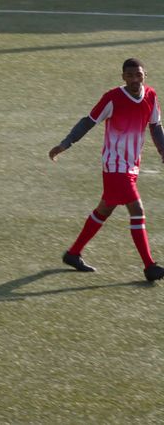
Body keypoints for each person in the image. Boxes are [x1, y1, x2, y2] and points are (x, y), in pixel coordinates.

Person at [50, 58, 164, 282]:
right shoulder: (112, 98)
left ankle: (73, 254)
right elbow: (89, 121)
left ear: (145, 75)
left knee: (105, 208)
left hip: (131, 165)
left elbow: (155, 126)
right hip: (114, 165)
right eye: (129, 75)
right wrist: (66, 143)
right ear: (123, 77)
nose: (134, 79)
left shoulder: (150, 95)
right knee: (137, 210)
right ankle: (150, 266)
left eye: (138, 75)